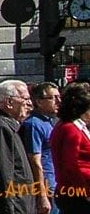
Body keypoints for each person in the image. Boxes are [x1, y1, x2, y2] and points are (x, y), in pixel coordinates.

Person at [0, 79, 38, 214]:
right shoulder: (0, 128)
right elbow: (2, 175)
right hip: (13, 207)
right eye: (25, 99)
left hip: (21, 205)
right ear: (9, 102)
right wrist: (8, 209)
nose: (30, 104)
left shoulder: (9, 126)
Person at [50, 82, 90, 214]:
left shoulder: (68, 126)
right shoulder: (70, 129)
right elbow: (71, 165)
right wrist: (85, 192)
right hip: (76, 194)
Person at [22, 82, 60, 214]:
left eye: (59, 97)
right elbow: (35, 162)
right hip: (46, 186)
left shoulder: (50, 122)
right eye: (53, 98)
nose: (58, 101)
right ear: (38, 102)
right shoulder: (33, 124)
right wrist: (42, 195)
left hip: (55, 182)